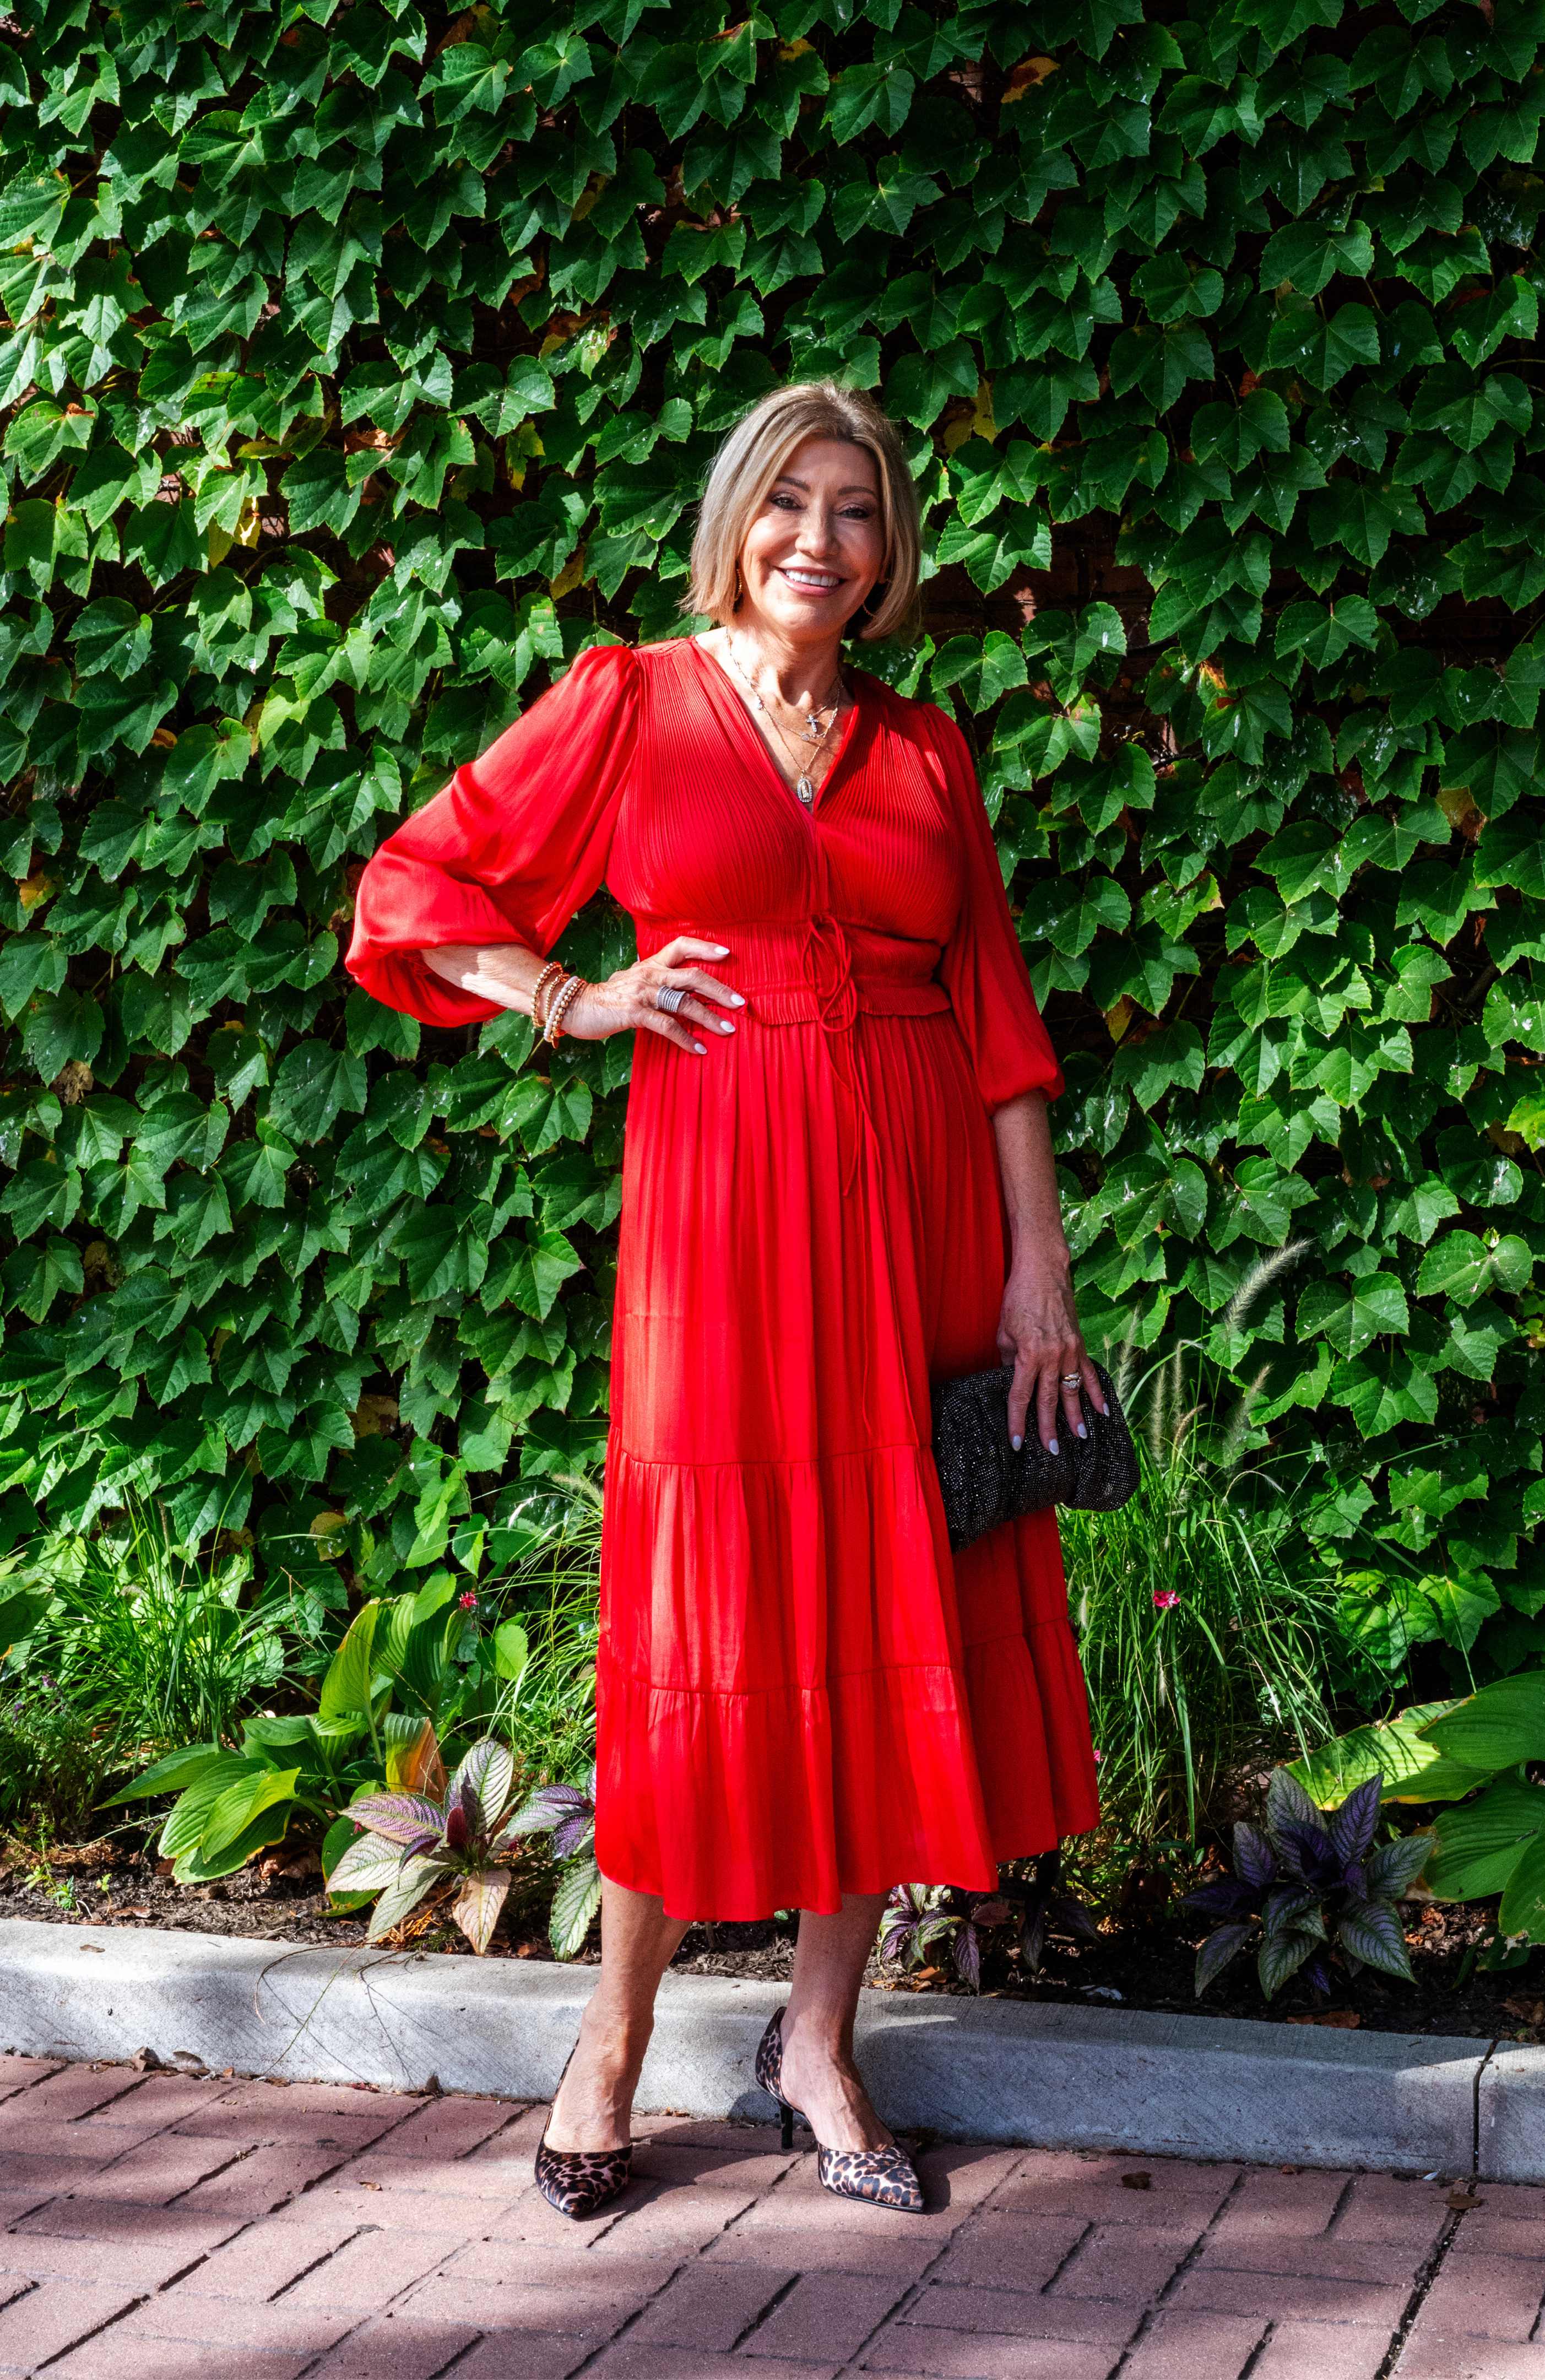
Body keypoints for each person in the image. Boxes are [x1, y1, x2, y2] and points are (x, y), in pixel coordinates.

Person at [346, 379, 1101, 2217]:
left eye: (856, 509)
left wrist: (1039, 1270)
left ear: (890, 547)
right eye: (789, 502)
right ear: (736, 519)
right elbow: (415, 883)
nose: (817, 542)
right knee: (706, 1617)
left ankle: (819, 2045)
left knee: (892, 1595)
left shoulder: (925, 749)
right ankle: (609, 2046)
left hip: (923, 1217)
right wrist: (567, 996)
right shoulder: (631, 700)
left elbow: (1000, 1020)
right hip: (725, 1216)